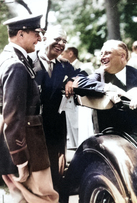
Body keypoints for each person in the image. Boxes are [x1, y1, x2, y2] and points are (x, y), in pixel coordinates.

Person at [0, 15, 58, 203]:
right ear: (21, 34)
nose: (40, 39)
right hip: (27, 146)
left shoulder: (7, 58)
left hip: (15, 143)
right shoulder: (15, 65)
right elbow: (13, 115)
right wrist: (21, 159)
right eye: (36, 33)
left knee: (21, 198)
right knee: (44, 197)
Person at [32, 26, 84, 193]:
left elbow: (82, 74)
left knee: (56, 169)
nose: (61, 44)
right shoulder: (29, 61)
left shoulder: (63, 64)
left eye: (64, 41)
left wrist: (71, 80)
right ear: (44, 38)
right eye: (57, 39)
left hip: (56, 125)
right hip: (33, 125)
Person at [73, 39, 137, 146]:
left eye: (108, 53)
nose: (102, 57)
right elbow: (78, 83)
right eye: (101, 54)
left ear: (122, 56)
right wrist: (110, 88)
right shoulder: (97, 77)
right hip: (108, 144)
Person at [61, 47, 94, 148]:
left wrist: (71, 80)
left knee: (81, 136)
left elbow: (81, 77)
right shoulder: (63, 67)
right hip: (68, 107)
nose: (60, 56)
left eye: (63, 53)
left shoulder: (84, 67)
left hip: (80, 109)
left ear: (70, 54)